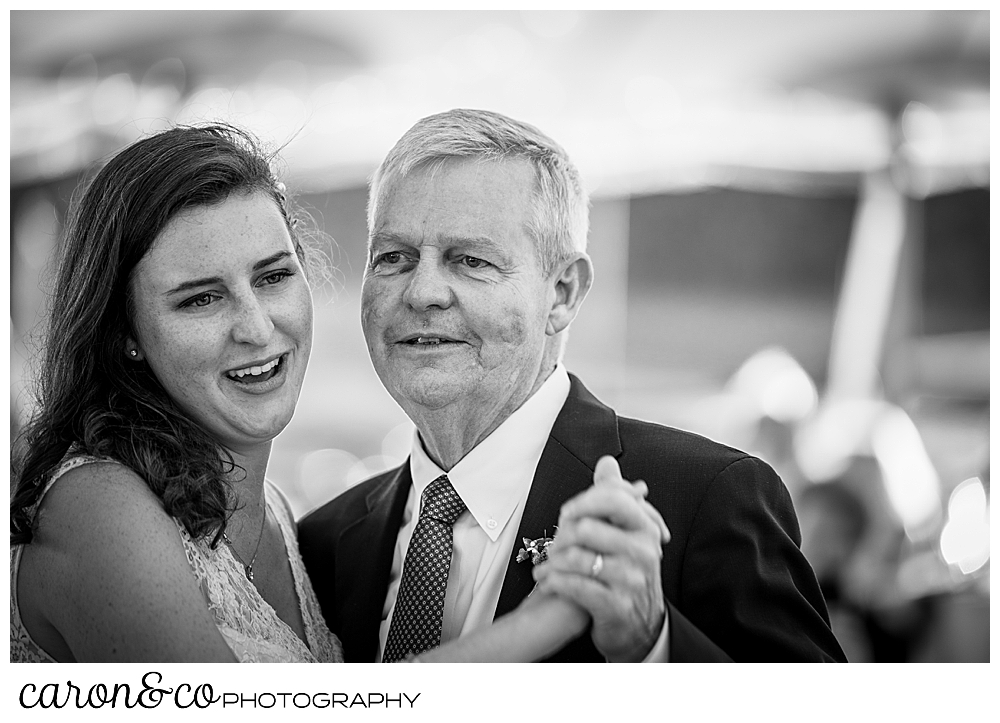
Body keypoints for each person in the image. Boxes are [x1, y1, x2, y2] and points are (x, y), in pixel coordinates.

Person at [9, 123, 600, 663]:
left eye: (272, 277)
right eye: (200, 298)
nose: (257, 328)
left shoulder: (288, 523)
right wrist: (552, 618)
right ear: (126, 334)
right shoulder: (98, 508)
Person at [298, 108, 847, 662]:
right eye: (393, 258)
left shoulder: (709, 498)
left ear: (562, 293)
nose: (422, 292)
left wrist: (651, 644)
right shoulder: (321, 544)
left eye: (470, 260)